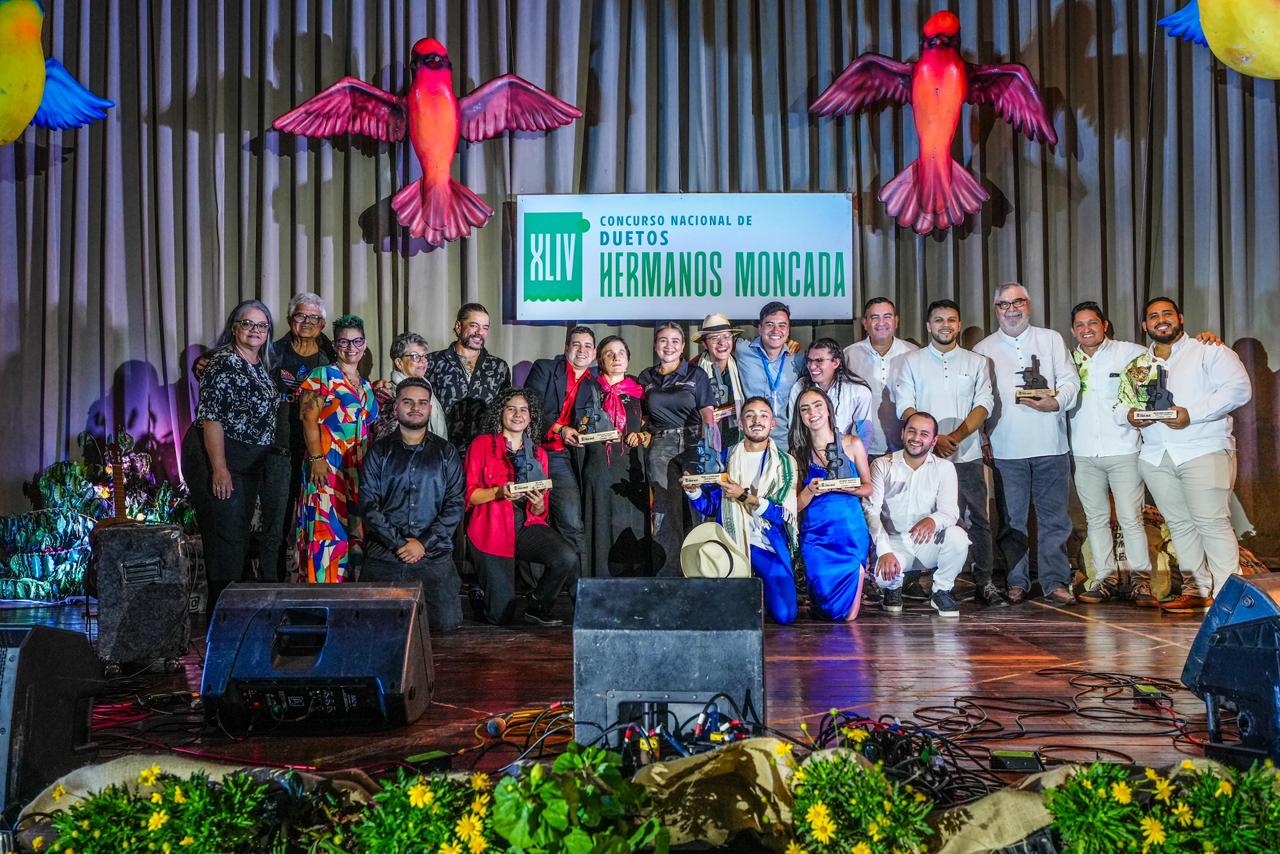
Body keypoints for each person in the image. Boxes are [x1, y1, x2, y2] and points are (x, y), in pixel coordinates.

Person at [1118, 297, 1252, 612]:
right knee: (1179, 525)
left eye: (1167, 314)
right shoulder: (1138, 366)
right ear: (1144, 326)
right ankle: (1198, 589)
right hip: (1155, 456)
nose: (1160, 320)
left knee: (1212, 522)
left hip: (1202, 449)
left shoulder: (1209, 350)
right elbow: (1122, 403)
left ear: (1179, 317)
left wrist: (1192, 414)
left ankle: (1230, 600)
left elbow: (1238, 389)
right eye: (1153, 316)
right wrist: (1132, 415)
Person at [974, 283, 1080, 605]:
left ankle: (1054, 581)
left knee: (1055, 519)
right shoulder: (983, 350)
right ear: (996, 310)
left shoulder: (1050, 339)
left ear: (1028, 305)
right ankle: (1016, 581)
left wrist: (1058, 402)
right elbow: (978, 400)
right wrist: (982, 439)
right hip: (1006, 449)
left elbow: (1070, 380)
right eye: (1003, 304)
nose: (1011, 309)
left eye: (1017, 302)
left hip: (1051, 444)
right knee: (1011, 522)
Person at [895, 299, 1001, 605]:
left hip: (965, 455)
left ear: (958, 324)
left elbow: (984, 405)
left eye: (951, 320)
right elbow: (906, 406)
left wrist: (952, 437)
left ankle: (984, 581)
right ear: (928, 326)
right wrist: (933, 439)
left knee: (978, 518)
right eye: (939, 320)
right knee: (919, 515)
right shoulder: (911, 362)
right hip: (923, 458)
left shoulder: (976, 362)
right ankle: (916, 581)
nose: (945, 325)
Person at [181, 300, 278, 606]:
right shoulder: (223, 362)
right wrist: (220, 468)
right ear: (234, 328)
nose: (255, 330)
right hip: (221, 460)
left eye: (261, 325)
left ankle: (232, 621)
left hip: (247, 465)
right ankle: (219, 628)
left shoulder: (259, 364)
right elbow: (212, 419)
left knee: (236, 543)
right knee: (226, 545)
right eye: (247, 324)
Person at [358, 378, 465, 632]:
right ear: (396, 407)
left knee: (447, 625)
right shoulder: (378, 452)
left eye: (422, 403)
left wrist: (422, 543)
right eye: (408, 401)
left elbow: (455, 504)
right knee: (369, 626)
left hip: (432, 555)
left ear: (430, 408)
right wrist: (399, 544)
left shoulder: (446, 452)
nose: (415, 407)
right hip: (385, 554)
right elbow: (368, 504)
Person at [464, 389, 576, 626]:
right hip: (490, 530)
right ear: (500, 413)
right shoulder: (482, 445)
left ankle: (538, 605)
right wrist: (498, 492)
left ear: (531, 416)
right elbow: (470, 495)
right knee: (500, 617)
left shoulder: (539, 453)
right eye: (511, 408)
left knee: (566, 557)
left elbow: (539, 511)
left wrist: (536, 504)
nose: (518, 414)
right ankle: (480, 591)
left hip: (524, 527)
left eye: (523, 409)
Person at [684, 397, 800, 624]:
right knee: (725, 617)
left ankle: (759, 590)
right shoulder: (725, 458)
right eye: (750, 415)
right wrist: (694, 491)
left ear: (773, 423)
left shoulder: (785, 463)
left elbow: (781, 514)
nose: (757, 420)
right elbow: (711, 506)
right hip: (731, 543)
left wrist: (743, 496)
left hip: (765, 544)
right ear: (740, 422)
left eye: (764, 415)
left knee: (786, 615)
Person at [1065, 301, 1151, 605]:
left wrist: (1207, 339)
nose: (1086, 329)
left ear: (1105, 325)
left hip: (1125, 449)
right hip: (1084, 453)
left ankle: (1141, 583)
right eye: (1080, 325)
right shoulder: (1067, 361)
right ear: (1073, 330)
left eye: (1092, 323)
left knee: (1131, 519)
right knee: (1096, 519)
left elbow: (1164, 364)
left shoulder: (1130, 353)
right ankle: (1104, 579)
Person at [864, 412, 972, 617]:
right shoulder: (882, 464)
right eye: (912, 431)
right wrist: (884, 550)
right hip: (893, 543)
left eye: (924, 434)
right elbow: (871, 511)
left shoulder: (944, 468)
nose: (916, 438)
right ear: (903, 433)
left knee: (958, 537)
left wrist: (933, 520)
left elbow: (950, 511)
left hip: (926, 543)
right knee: (882, 577)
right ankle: (893, 587)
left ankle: (941, 591)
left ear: (933, 441)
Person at [297, 315, 379, 583]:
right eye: (344, 341)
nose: (350, 347)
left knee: (354, 532)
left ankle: (349, 597)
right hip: (327, 466)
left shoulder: (366, 386)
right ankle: (322, 597)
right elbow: (308, 418)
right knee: (326, 530)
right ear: (335, 345)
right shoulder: (322, 376)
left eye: (356, 341)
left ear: (364, 344)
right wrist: (317, 458)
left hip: (358, 470)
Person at [638, 322, 716, 576]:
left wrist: (710, 452)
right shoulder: (646, 377)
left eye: (674, 341)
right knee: (663, 509)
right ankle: (667, 573)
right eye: (663, 340)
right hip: (660, 446)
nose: (668, 346)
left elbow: (708, 416)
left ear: (683, 346)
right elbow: (641, 418)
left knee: (695, 507)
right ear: (655, 344)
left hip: (694, 443)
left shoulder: (696, 375)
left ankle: (699, 570)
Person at [789, 387, 873, 621]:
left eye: (817, 405)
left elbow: (868, 487)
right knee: (826, 609)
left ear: (828, 409)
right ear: (800, 417)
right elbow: (794, 506)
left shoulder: (852, 443)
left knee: (848, 616)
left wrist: (844, 487)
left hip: (849, 531)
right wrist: (810, 490)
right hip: (816, 535)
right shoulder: (797, 453)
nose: (812, 412)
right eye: (804, 409)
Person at [524, 326, 597, 577]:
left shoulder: (593, 382)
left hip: (560, 457)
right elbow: (530, 407)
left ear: (595, 353)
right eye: (576, 344)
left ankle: (582, 591)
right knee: (533, 520)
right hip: (530, 454)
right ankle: (535, 589)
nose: (582, 350)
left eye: (587, 346)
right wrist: (560, 428)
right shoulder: (545, 368)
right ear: (566, 348)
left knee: (572, 524)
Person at [577, 335, 651, 577]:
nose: (616, 357)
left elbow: (652, 428)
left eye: (621, 352)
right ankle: (598, 587)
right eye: (609, 353)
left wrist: (642, 435)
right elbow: (577, 424)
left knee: (631, 527)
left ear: (628, 359)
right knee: (599, 527)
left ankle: (632, 587)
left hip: (631, 470)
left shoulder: (641, 392)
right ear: (600, 360)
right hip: (598, 468)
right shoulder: (588, 388)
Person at [426, 303, 511, 454]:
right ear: (458, 326)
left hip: (485, 453)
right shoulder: (432, 362)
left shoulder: (498, 367)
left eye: (485, 328)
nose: (480, 332)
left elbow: (505, 409)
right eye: (474, 326)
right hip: (442, 451)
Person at [844, 297, 918, 457]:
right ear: (865, 323)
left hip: (906, 448)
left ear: (896, 321)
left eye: (887, 316)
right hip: (862, 448)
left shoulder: (914, 353)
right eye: (874, 317)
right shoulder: (849, 354)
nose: (881, 322)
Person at [735, 302, 804, 450]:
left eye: (782, 325)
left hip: (786, 442)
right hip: (750, 440)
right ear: (760, 328)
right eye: (770, 324)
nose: (776, 330)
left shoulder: (798, 359)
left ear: (788, 330)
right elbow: (717, 346)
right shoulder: (742, 350)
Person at [788, 337, 874, 448]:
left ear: (836, 362)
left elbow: (865, 433)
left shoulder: (858, 390)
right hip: (808, 454)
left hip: (843, 456)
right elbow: (794, 428)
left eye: (819, 361)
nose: (812, 366)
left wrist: (856, 459)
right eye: (809, 360)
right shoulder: (800, 387)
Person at [371, 332, 448, 443]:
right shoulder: (387, 394)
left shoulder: (427, 389)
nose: (422, 361)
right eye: (415, 356)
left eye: (424, 356)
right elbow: (387, 440)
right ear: (399, 363)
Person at [691, 313, 746, 448]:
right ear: (704, 344)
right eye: (715, 338)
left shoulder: (743, 365)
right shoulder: (693, 370)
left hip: (738, 438)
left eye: (727, 336)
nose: (722, 342)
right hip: (704, 440)